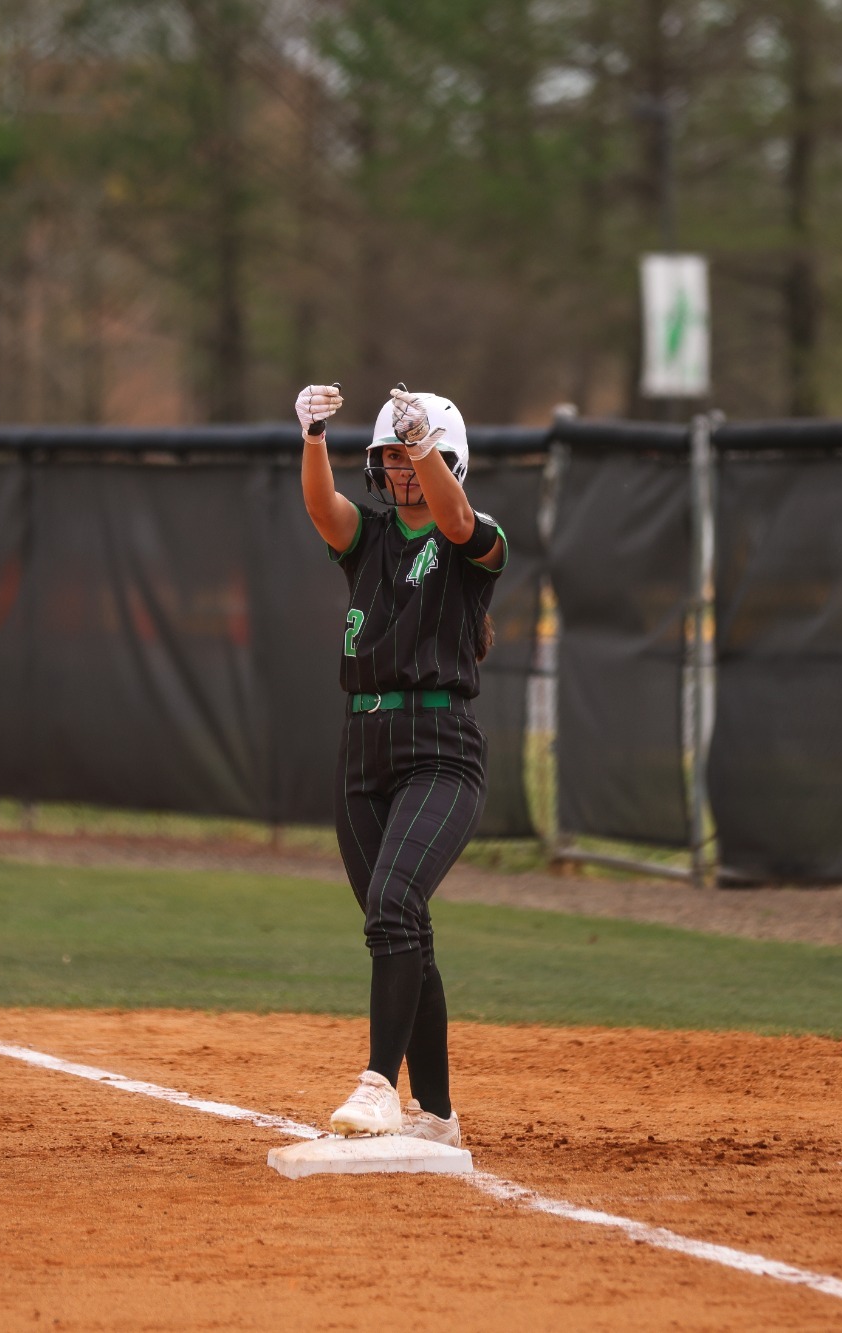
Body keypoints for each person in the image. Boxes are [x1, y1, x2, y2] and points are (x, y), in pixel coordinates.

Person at [293, 381, 507, 1147]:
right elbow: (324, 512)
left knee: (391, 908)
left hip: (440, 748)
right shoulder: (372, 537)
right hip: (362, 750)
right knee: (400, 924)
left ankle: (380, 1084)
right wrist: (314, 437)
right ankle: (439, 1116)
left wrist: (422, 439)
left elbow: (457, 521)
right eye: (390, 455)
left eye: (417, 454)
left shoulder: (474, 541)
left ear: (450, 459)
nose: (404, 468)